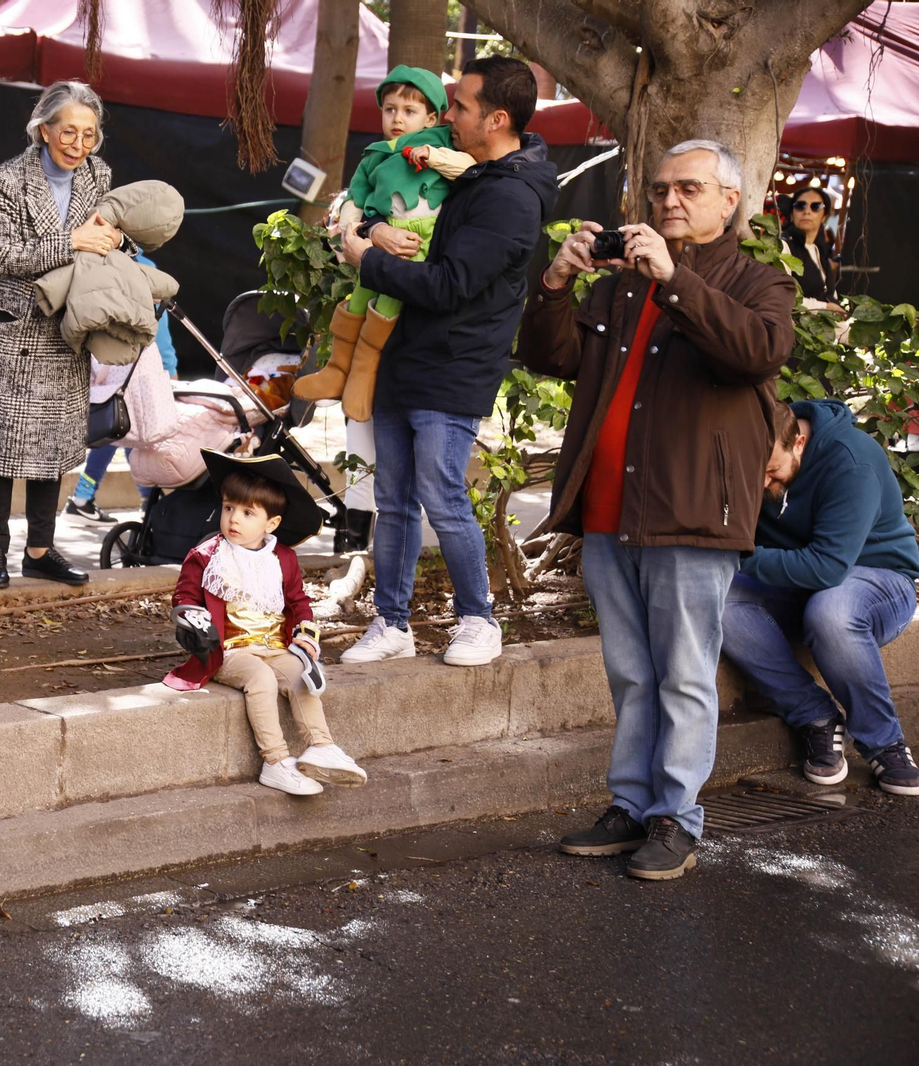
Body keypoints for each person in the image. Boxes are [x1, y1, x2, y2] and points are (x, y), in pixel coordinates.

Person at [516, 139, 796, 880]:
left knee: (684, 675)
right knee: (632, 675)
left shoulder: (757, 281)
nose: (669, 201)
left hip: (693, 512)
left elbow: (758, 352)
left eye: (690, 189)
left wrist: (676, 281)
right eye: (661, 189)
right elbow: (550, 357)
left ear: (730, 200)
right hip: (609, 510)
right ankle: (633, 805)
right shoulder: (618, 286)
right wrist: (554, 282)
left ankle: (678, 816)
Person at [337, 56, 557, 668]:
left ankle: (478, 618)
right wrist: (373, 231)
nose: (446, 116)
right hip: (405, 354)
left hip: (454, 366)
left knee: (440, 492)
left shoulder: (511, 196)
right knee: (394, 495)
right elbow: (390, 210)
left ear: (498, 119)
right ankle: (392, 620)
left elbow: (449, 284)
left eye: (459, 106)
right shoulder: (466, 171)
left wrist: (368, 262)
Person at [0, 80, 122, 590]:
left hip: (65, 329)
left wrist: (116, 239)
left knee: (51, 445)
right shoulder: (6, 180)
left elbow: (112, 238)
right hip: (9, 331)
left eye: (89, 134)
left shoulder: (100, 175)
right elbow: (2, 258)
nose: (78, 144)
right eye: (68, 131)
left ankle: (40, 552)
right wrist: (73, 240)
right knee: (1, 446)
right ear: (44, 129)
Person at [722, 400, 919, 796]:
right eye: (753, 472)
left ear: (799, 442)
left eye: (771, 471)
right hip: (794, 586)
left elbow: (827, 568)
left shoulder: (851, 460)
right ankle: (815, 717)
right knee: (715, 599)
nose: (760, 484)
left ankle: (884, 743)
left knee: (831, 610)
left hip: (879, 581)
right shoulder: (744, 450)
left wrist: (737, 554)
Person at [164, 453, 367, 796]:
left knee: (301, 676)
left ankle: (320, 745)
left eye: (247, 513)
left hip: (274, 647)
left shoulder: (283, 558)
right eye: (229, 508)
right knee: (260, 679)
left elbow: (299, 604)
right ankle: (275, 762)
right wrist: (191, 620)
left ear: (270, 524)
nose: (233, 519)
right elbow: (183, 598)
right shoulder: (206, 556)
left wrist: (305, 636)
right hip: (228, 651)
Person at [295, 65, 473, 422]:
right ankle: (335, 370)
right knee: (357, 302)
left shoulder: (442, 143)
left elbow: (468, 169)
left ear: (431, 117)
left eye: (409, 111)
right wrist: (349, 230)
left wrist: (433, 155)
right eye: (390, 109)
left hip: (417, 245)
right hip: (376, 243)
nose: (397, 118)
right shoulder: (373, 156)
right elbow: (354, 201)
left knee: (385, 308)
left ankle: (362, 376)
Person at [62, 250, 176, 526]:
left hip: (102, 362)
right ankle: (138, 502)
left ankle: (96, 498)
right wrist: (170, 367)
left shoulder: (91, 263)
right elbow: (158, 326)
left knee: (120, 427)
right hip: (136, 366)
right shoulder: (143, 268)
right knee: (128, 428)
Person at [781, 186, 838, 302]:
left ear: (824, 217)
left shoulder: (819, 251)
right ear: (792, 214)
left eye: (816, 207)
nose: (807, 211)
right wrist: (824, 307)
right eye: (800, 206)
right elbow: (782, 296)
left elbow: (830, 294)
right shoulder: (783, 245)